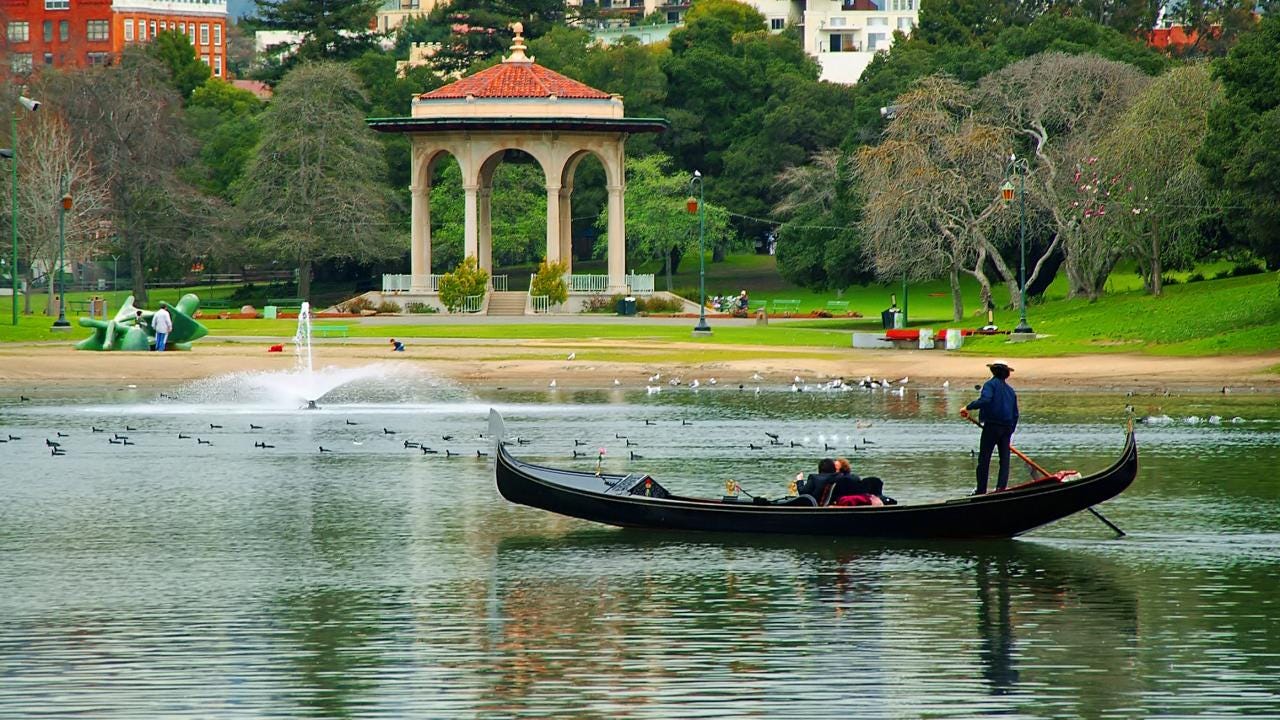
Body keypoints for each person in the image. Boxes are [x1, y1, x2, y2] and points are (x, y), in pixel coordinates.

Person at [961, 360, 1019, 494]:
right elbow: (1015, 414)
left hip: (992, 427)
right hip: (1007, 428)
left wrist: (968, 407)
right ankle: (1001, 488)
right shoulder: (1011, 391)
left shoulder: (989, 385)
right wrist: (1010, 431)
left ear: (993, 371)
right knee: (1004, 460)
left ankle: (981, 490)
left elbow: (986, 400)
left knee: (984, 459)